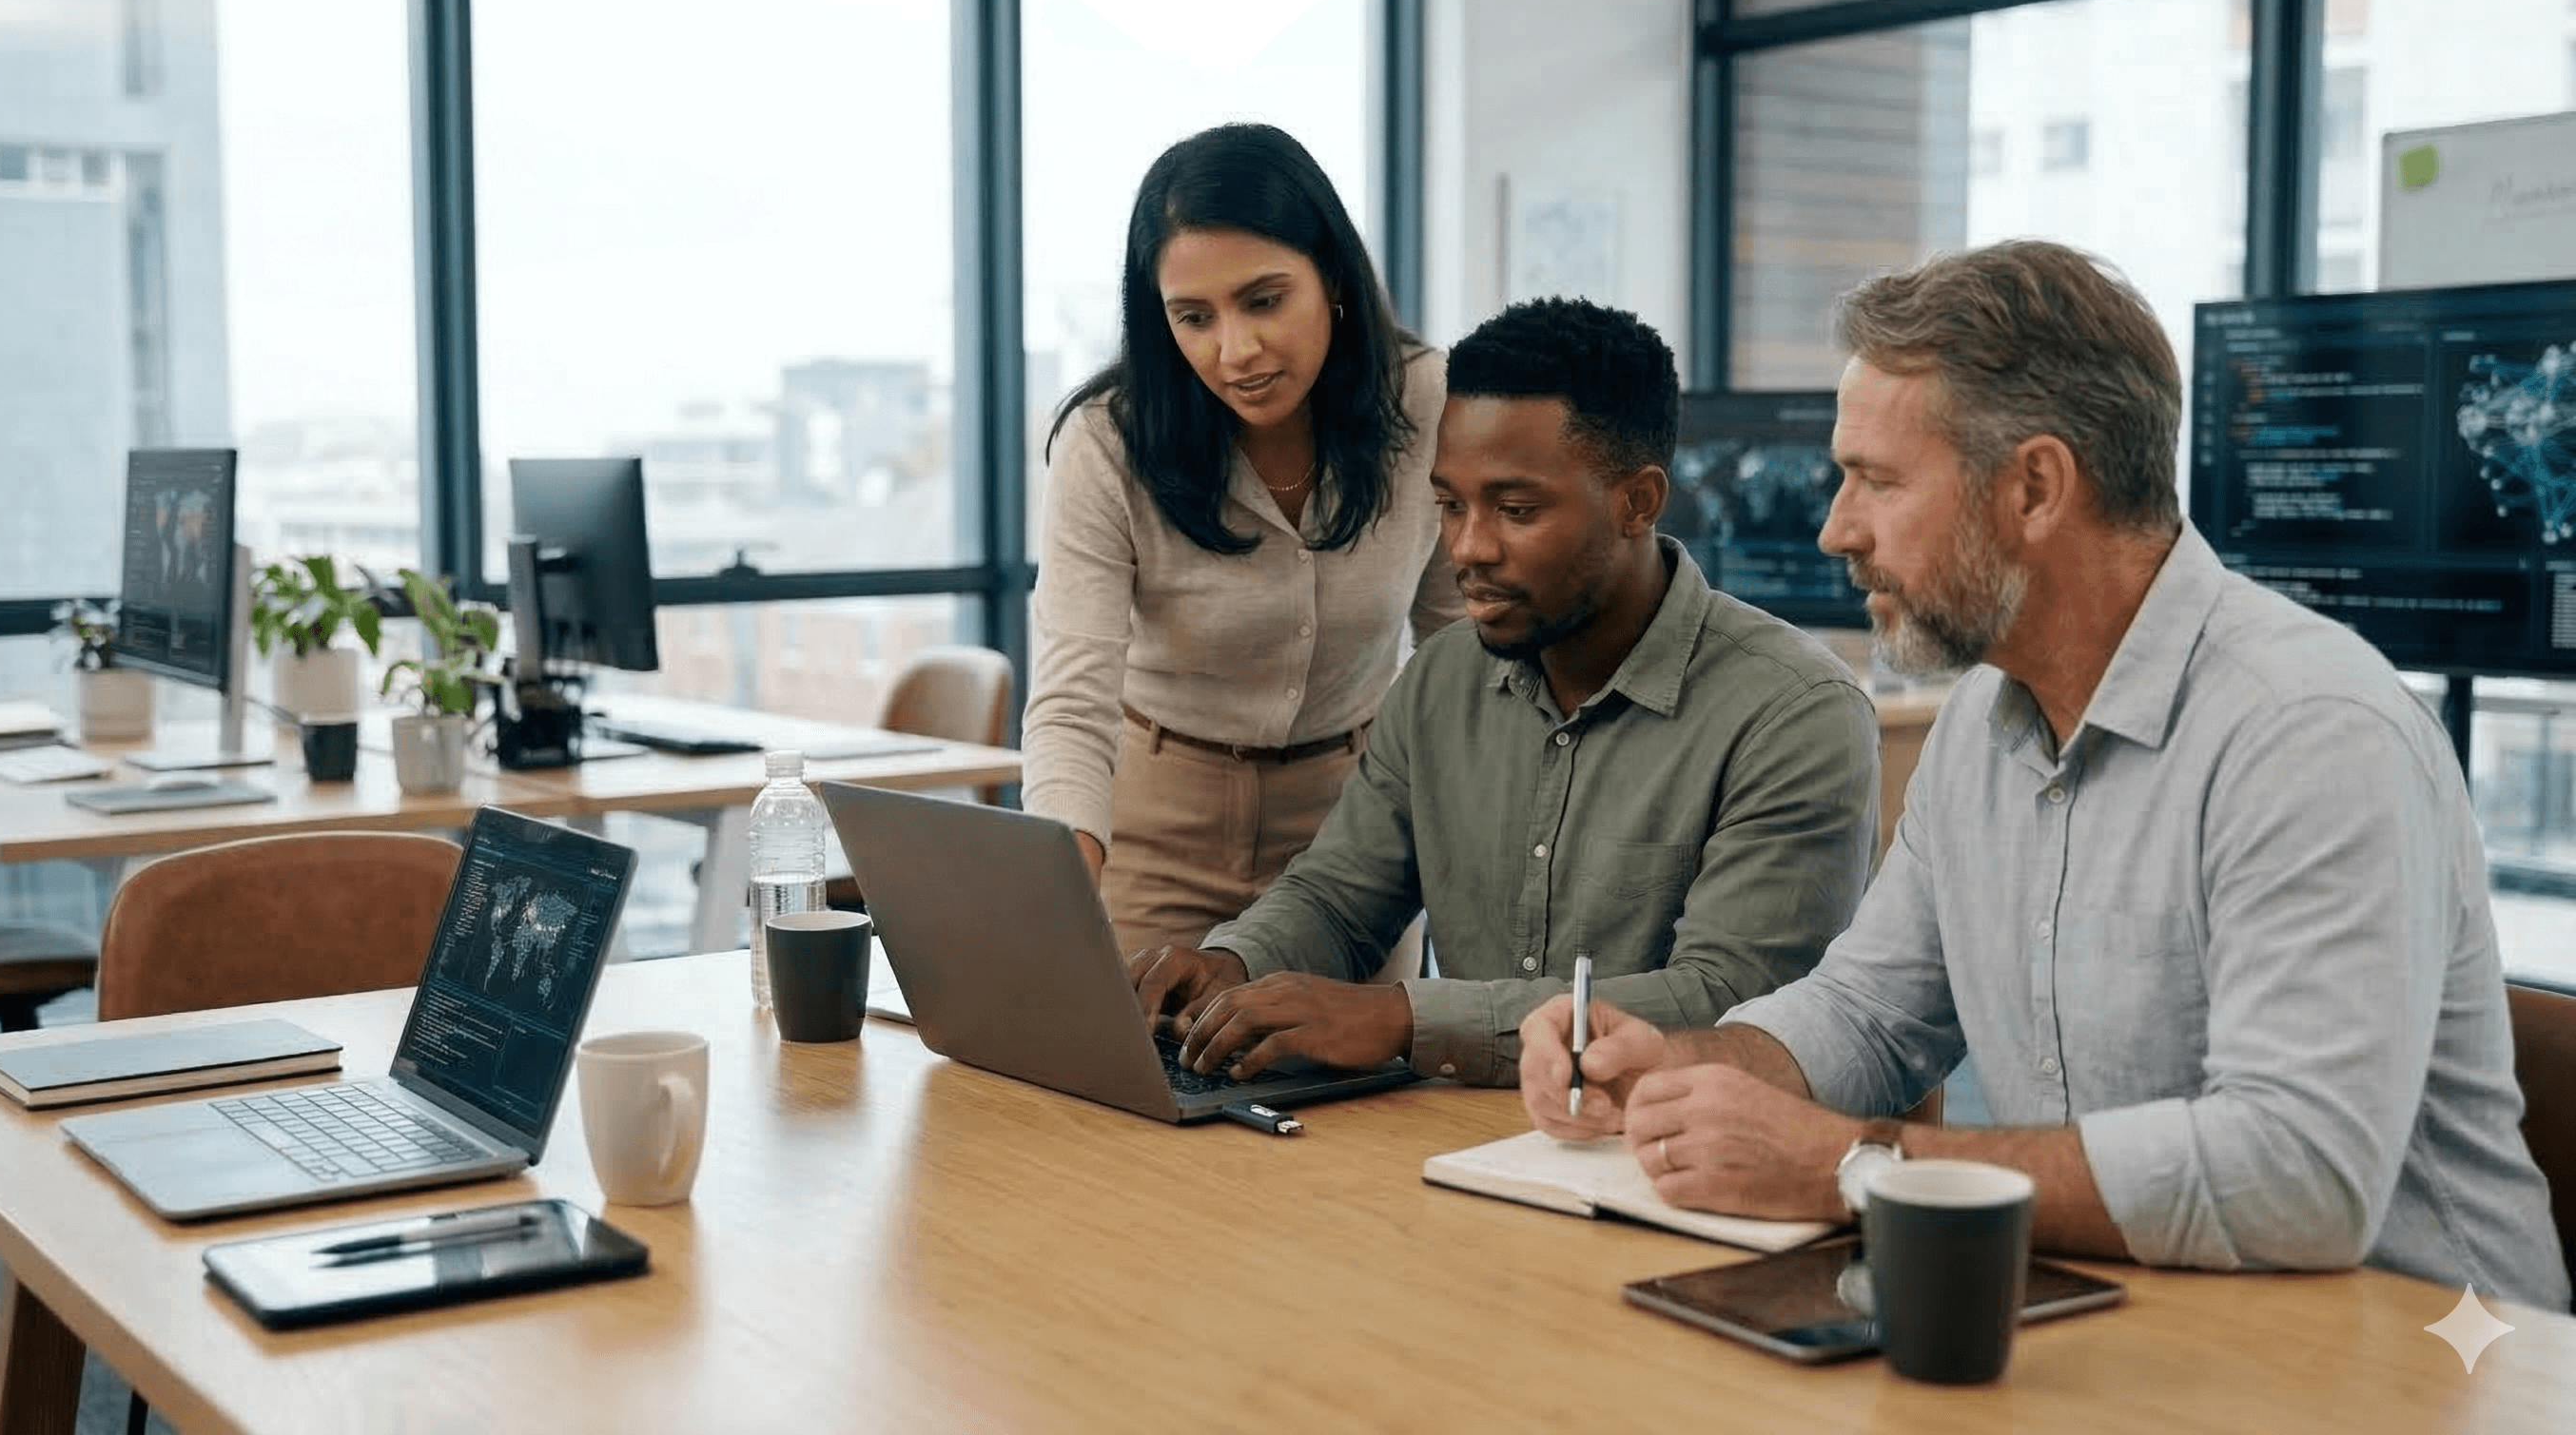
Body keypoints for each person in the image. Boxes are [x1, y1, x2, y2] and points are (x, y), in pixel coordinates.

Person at [1517, 240, 2569, 1310]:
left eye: (1875, 480)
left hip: (2427, 1362)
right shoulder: (1984, 715)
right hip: (2142, 1319)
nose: (1836, 528)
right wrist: (1681, 1069)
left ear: (2032, 487)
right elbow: (1873, 1011)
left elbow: (2297, 1174)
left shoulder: (2308, 732)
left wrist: (1847, 1166)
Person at [1131, 297, 1880, 1088]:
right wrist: (1232, 962)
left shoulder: (1797, 714)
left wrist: (1405, 1018)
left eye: (1516, 511)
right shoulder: (1439, 680)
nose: (1467, 548)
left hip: (1669, 1160)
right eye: (1450, 505)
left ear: (1639, 502)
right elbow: (1339, 898)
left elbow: (1730, 1004)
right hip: (1452, 1147)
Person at [1024, 124, 1466, 960]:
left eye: (1264, 300)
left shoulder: (1426, 399)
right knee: (1120, 1085)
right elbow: (1073, 702)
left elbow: (1459, 648)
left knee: (1365, 1090)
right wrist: (1058, 892)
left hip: (1355, 833)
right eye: (1194, 317)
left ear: (1330, 274)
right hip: (1154, 833)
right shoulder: (1109, 443)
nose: (1236, 352)